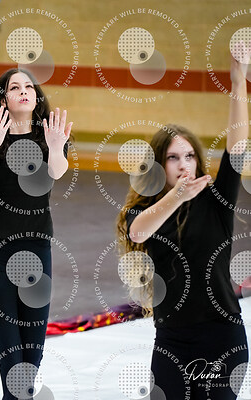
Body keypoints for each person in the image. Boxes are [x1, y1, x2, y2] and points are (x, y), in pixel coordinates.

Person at [116, 54, 249, 399]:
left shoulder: (216, 199)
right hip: (173, 339)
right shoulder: (146, 209)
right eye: (173, 157)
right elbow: (138, 232)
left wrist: (238, 83)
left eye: (189, 156)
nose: (183, 164)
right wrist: (177, 196)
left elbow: (237, 147)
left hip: (222, 334)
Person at [0, 68, 71, 399]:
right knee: (11, 356)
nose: (24, 91)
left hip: (37, 253)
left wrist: (56, 147)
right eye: (15, 87)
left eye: (29, 86)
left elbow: (56, 173)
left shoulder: (49, 135)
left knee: (32, 354)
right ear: (3, 99)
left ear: (36, 97)